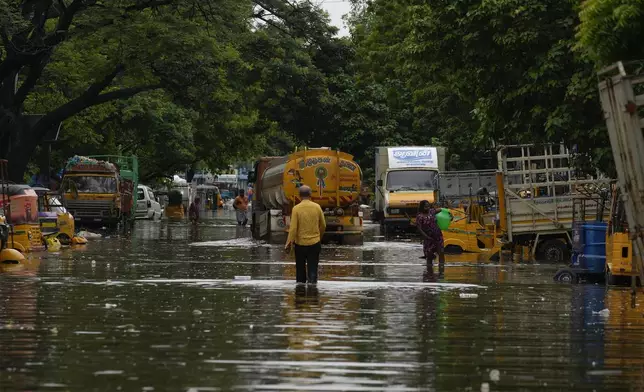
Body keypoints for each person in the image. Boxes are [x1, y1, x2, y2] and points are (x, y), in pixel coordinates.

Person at [284, 185, 326, 284]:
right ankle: (313, 292)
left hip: (300, 244)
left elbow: (293, 228)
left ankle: (300, 295)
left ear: (299, 196)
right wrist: (319, 237)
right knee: (313, 269)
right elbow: (323, 225)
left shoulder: (296, 209)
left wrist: (288, 242)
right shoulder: (317, 207)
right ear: (310, 195)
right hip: (315, 243)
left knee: (300, 272)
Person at [416, 200, 445, 276]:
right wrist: (426, 237)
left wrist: (449, 214)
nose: (427, 208)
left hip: (438, 236)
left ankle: (441, 272)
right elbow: (419, 228)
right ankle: (429, 274)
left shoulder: (432, 212)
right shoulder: (420, 216)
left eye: (428, 206)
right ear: (422, 207)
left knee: (441, 253)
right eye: (426, 206)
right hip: (428, 238)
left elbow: (442, 210)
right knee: (429, 256)